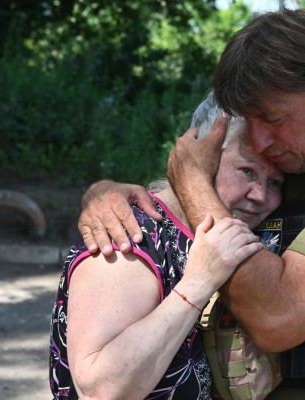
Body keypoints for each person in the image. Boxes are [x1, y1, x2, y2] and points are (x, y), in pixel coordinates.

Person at [78, 8, 305, 399]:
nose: (258, 142)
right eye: (248, 120)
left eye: (272, 119)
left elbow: (279, 317)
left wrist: (193, 183)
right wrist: (106, 194)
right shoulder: (290, 161)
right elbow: (181, 208)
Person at [49, 93, 284, 400]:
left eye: (275, 183)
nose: (260, 196)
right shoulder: (130, 235)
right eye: (247, 171)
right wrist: (199, 283)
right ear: (199, 156)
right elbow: (102, 390)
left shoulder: (244, 231)